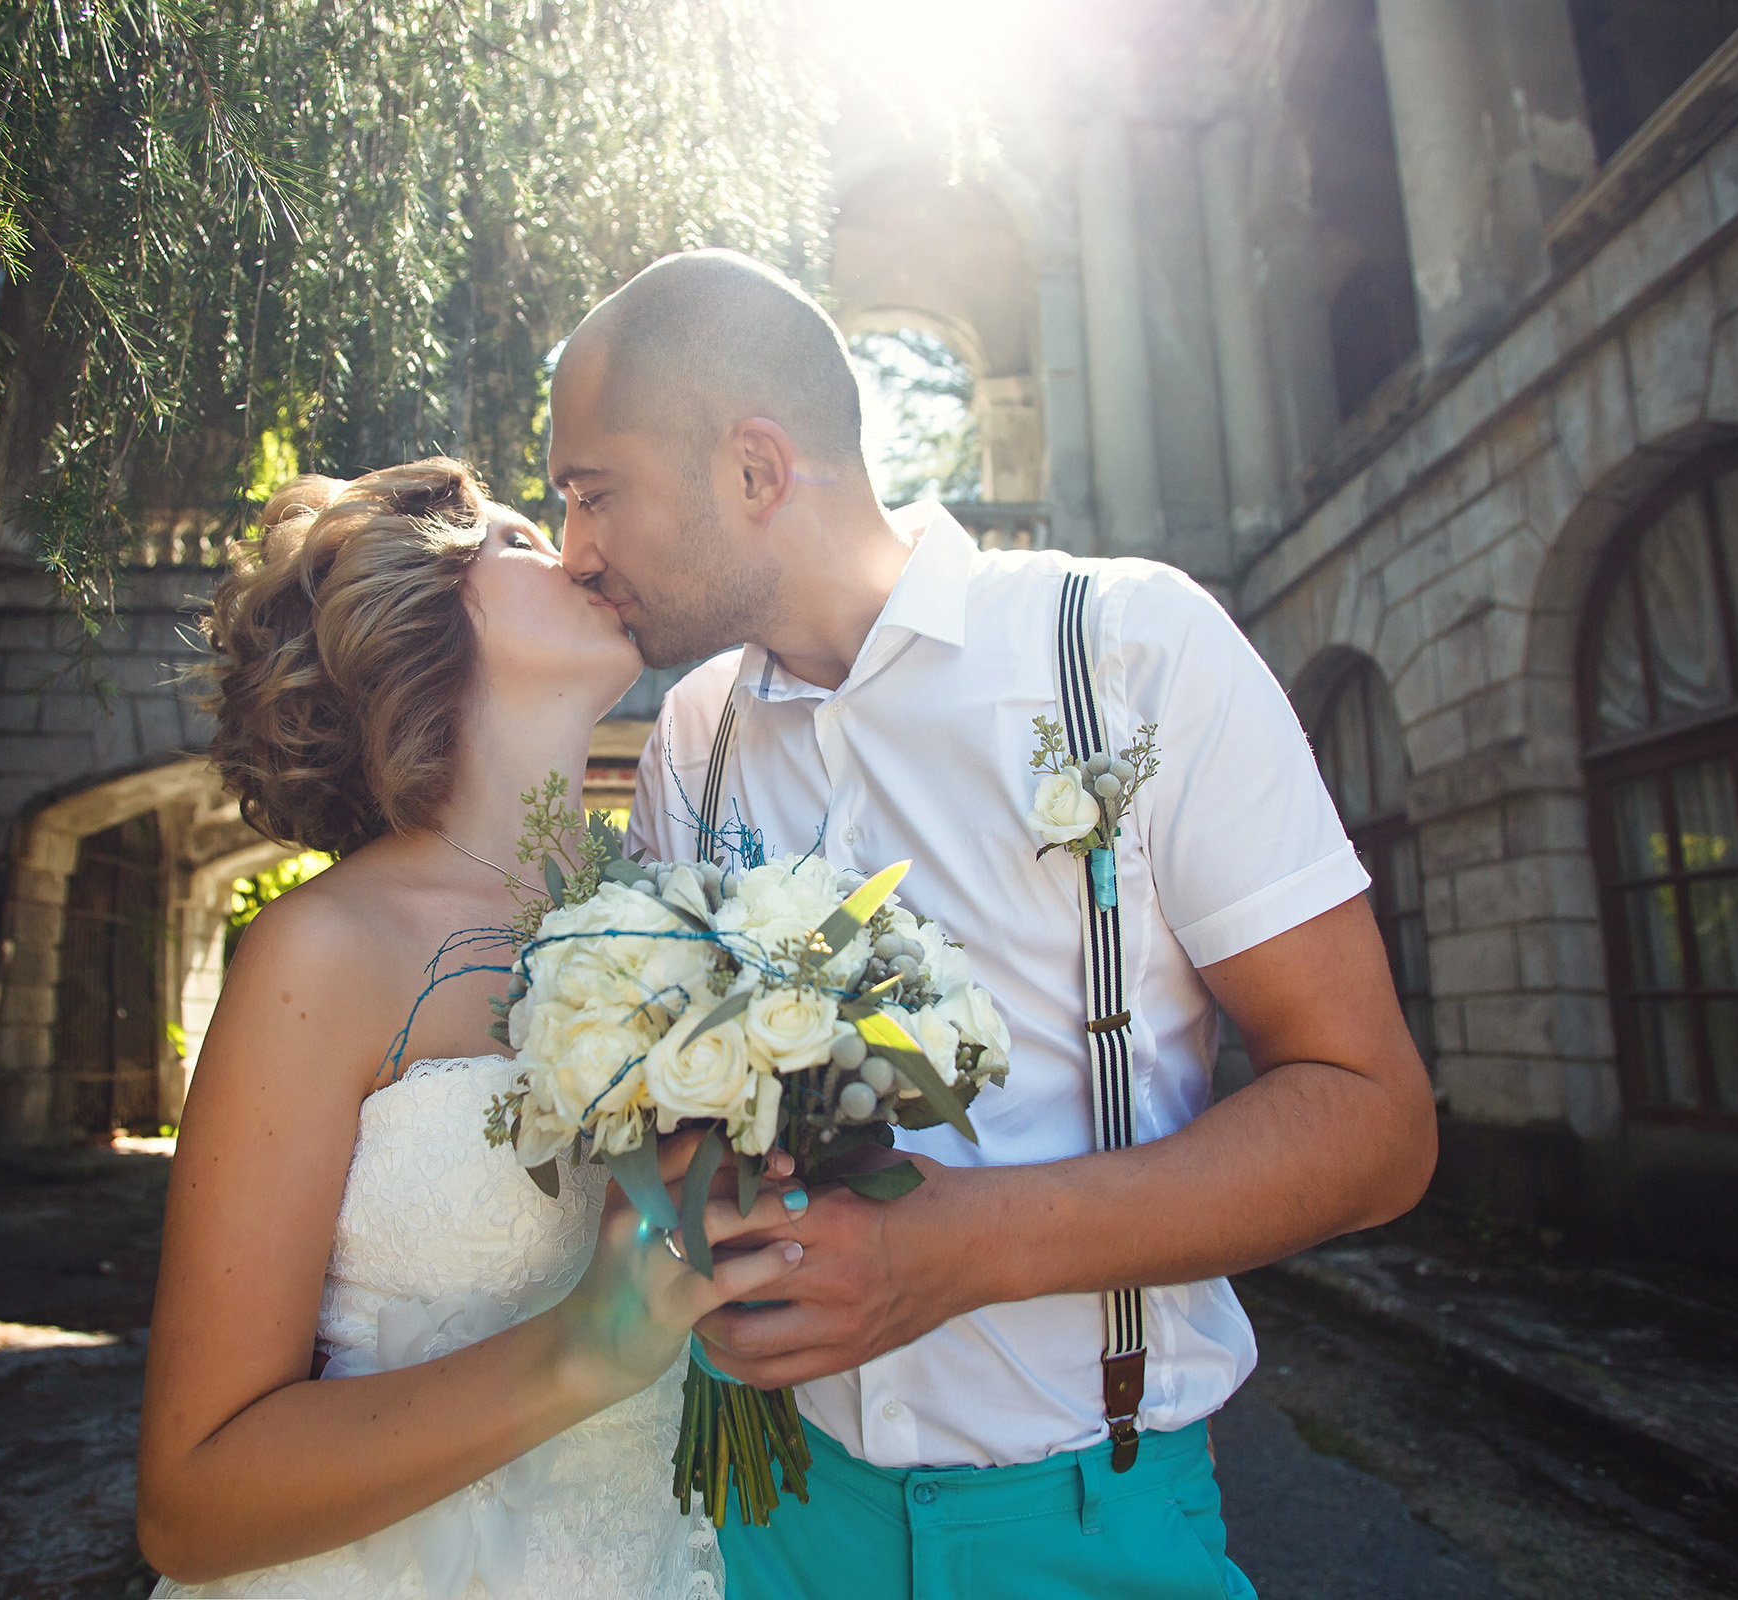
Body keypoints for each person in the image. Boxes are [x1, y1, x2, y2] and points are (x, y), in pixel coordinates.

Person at [550, 249, 1440, 1597]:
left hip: (1087, 1530)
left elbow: (1376, 1123)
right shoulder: (691, 733)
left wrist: (958, 1250)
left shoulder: (1130, 651)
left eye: (590, 493)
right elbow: (666, 1111)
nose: (574, 551)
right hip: (770, 1519)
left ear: (753, 470)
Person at [135, 460, 806, 1598]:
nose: (579, 551)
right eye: (516, 540)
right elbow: (189, 1504)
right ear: (414, 609)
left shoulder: (678, 914)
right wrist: (581, 1346)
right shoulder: (323, 952)